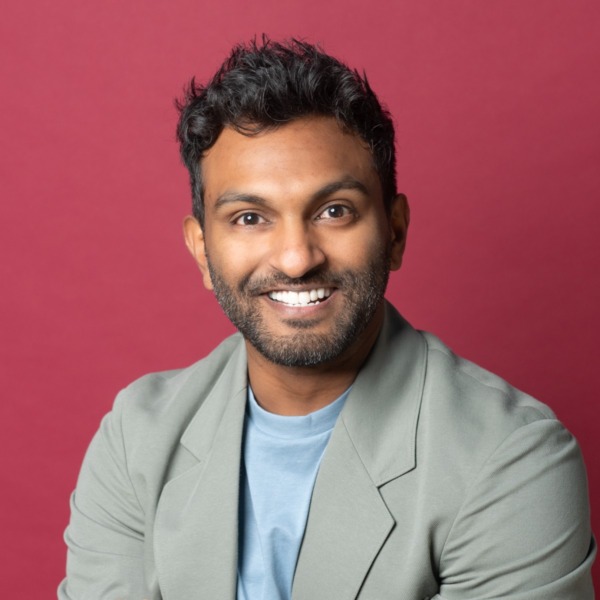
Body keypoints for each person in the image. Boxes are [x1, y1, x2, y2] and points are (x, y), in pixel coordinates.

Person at [59, 38, 595, 599]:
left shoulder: (513, 460)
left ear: (395, 232)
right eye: (249, 217)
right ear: (201, 251)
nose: (296, 257)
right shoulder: (136, 438)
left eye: (334, 211)